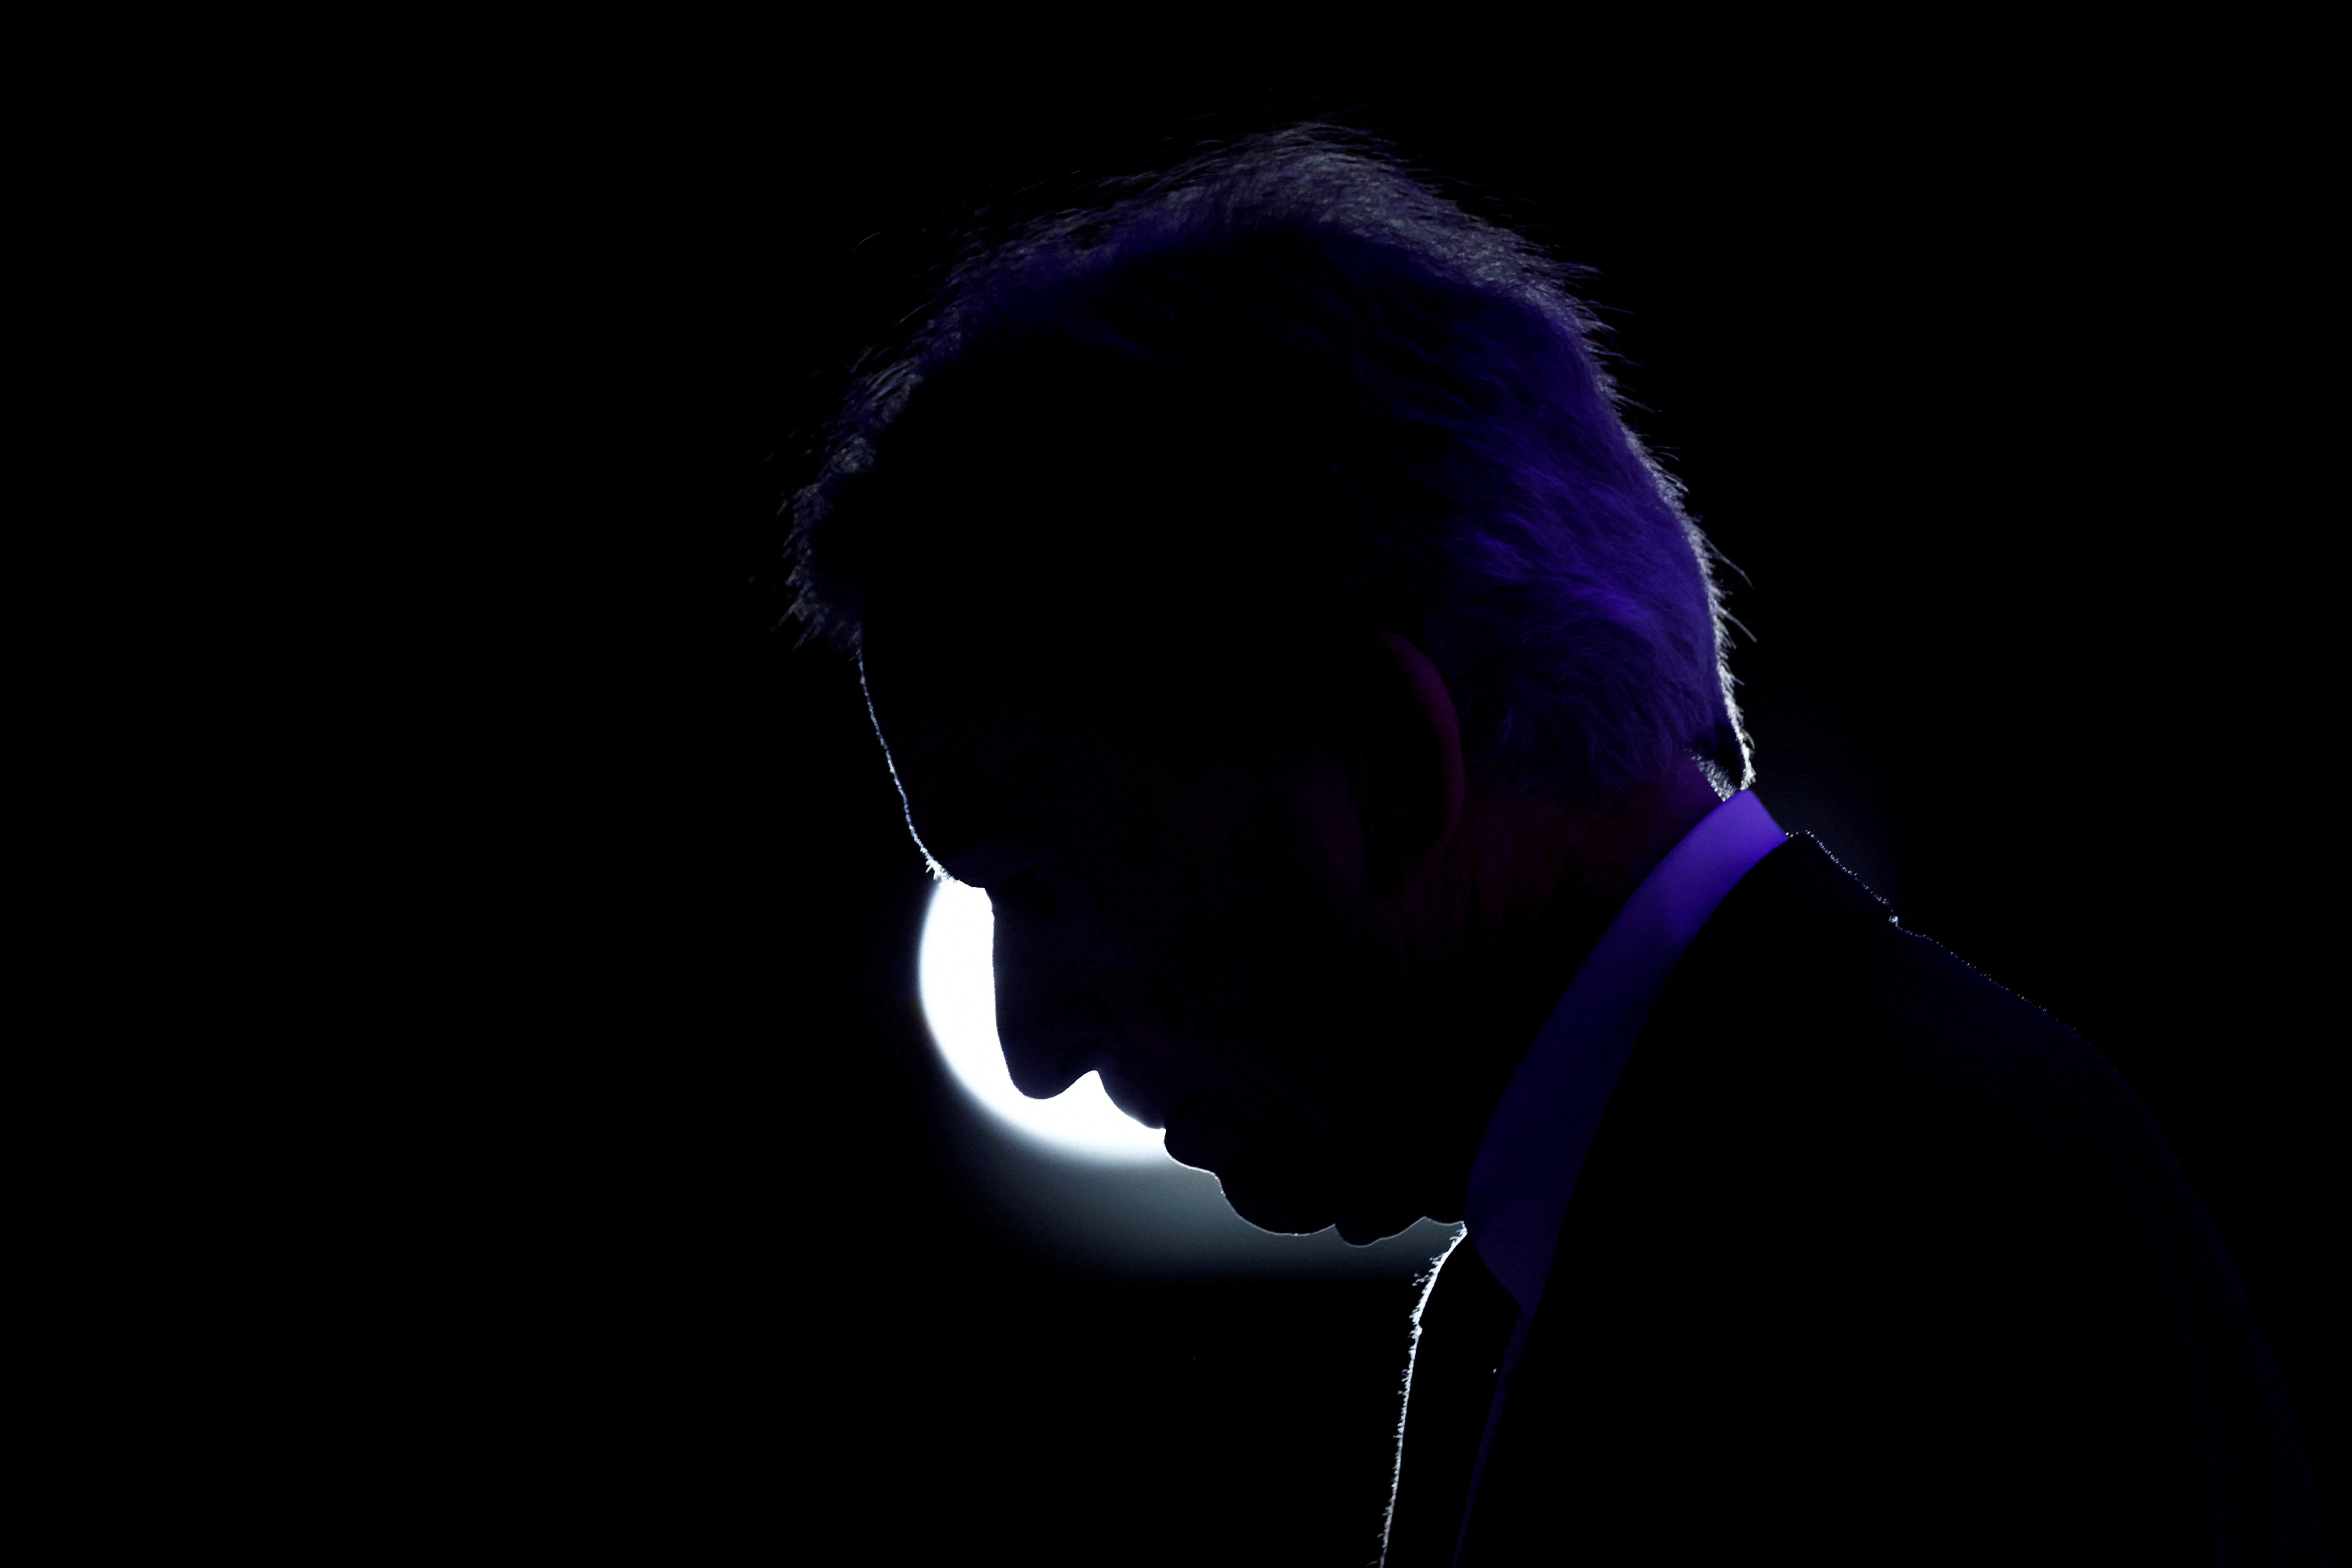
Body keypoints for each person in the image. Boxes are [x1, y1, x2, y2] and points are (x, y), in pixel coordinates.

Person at [782, 126, 2323, 1564]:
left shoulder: (1886, 1237)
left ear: (1391, 763)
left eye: (1053, 876)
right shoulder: (1773, 1203)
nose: (1032, 1042)